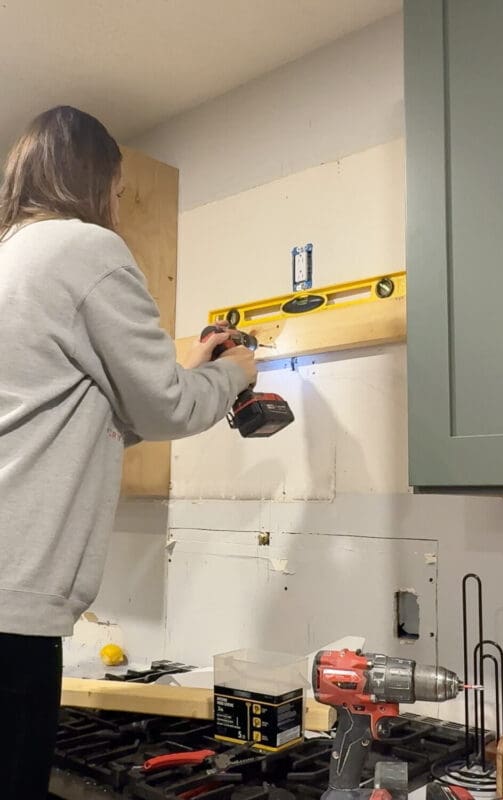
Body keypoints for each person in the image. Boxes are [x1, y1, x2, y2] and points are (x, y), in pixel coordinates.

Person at [0, 105, 257, 799]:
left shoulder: (11, 261)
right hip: (13, 609)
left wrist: (190, 365)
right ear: (92, 181)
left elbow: (70, 414)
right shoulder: (84, 247)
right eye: (115, 190)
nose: (115, 206)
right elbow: (167, 407)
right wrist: (235, 373)